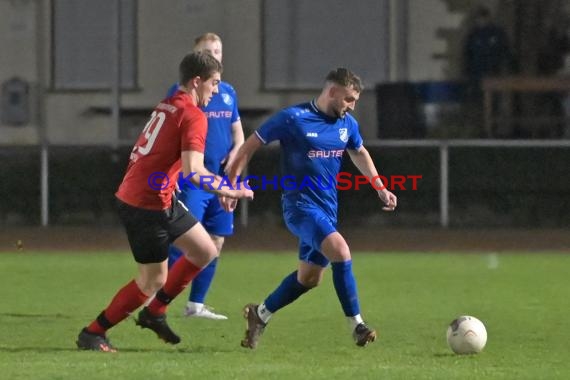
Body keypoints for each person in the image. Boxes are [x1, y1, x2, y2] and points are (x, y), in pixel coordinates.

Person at [75, 51, 253, 352]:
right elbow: (193, 171)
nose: (217, 90)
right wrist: (230, 189)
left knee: (205, 250)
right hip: (145, 204)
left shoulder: (170, 104)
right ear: (197, 82)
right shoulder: (194, 115)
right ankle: (93, 333)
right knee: (151, 281)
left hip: (159, 197)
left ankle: (155, 312)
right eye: (214, 83)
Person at [224, 67, 398, 349]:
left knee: (309, 278)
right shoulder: (293, 118)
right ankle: (357, 325)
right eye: (349, 99)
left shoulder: (347, 124)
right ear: (332, 92)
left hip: (327, 209)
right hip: (300, 208)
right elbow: (250, 145)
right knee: (341, 251)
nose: (352, 106)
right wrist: (231, 183)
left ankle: (260, 314)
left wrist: (380, 186)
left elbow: (359, 151)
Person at [166, 33, 244, 320]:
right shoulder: (183, 93)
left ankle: (195, 305)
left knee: (216, 241)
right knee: (185, 240)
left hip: (220, 179)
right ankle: (155, 293)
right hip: (193, 179)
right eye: (208, 51)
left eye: (218, 50)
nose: (215, 54)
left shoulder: (227, 91)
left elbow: (238, 131)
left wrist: (237, 153)